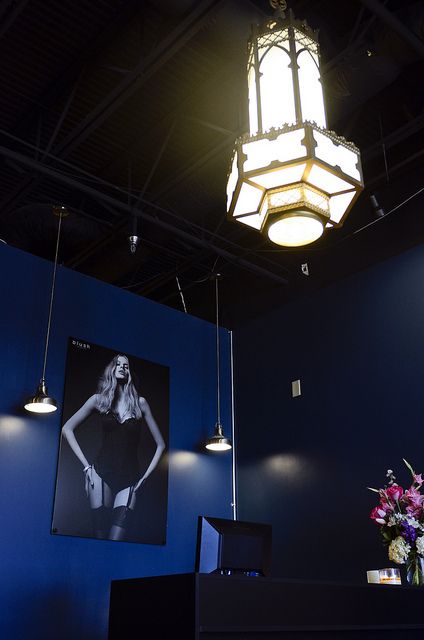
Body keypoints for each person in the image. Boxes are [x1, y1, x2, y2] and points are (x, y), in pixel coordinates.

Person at [61, 354, 165, 541]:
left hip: (130, 479)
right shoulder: (98, 400)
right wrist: (86, 467)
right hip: (101, 475)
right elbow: (67, 428)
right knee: (100, 538)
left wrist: (145, 478)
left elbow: (161, 445)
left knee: (116, 539)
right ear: (111, 369)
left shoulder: (140, 403)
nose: (122, 367)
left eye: (126, 365)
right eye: (118, 364)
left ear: (129, 371)